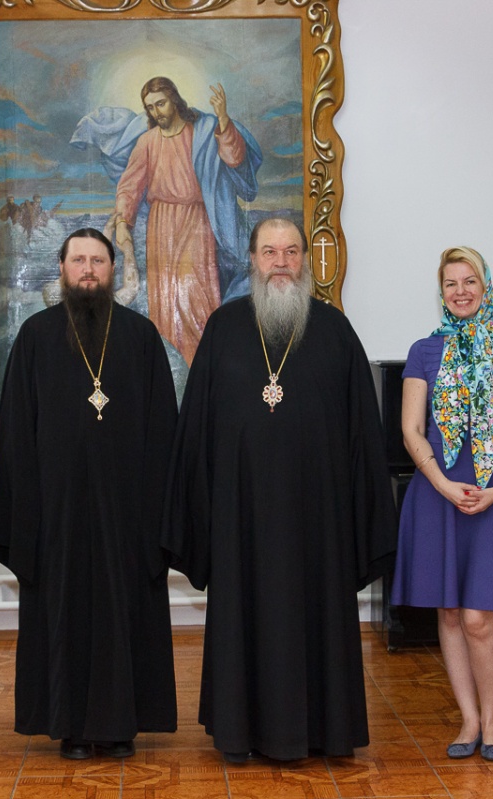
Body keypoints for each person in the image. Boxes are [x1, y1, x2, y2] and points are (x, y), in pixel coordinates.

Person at [163, 217, 397, 762]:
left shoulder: (335, 331)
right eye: (269, 252)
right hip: (240, 519)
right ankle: (240, 733)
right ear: (252, 260)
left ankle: (323, 730)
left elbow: (362, 434)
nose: (281, 262)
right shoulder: (223, 328)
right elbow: (196, 432)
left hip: (319, 521)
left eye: (291, 251)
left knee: (317, 615)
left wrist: (362, 516)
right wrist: (200, 513)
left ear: (305, 260)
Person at [0, 228, 178, 760]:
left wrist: (158, 511)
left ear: (113, 270)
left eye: (98, 260)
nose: (88, 269)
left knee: (124, 611)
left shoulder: (140, 336)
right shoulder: (36, 336)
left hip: (126, 513)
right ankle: (69, 724)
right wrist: (26, 512)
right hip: (58, 513)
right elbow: (17, 432)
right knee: (63, 613)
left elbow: (164, 429)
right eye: (79, 260)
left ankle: (121, 725)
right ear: (62, 268)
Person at [390, 247, 493, 763]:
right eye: (451, 283)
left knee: (481, 617)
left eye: (470, 281)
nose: (460, 292)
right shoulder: (424, 350)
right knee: (451, 612)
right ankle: (469, 720)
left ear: (486, 286)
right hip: (439, 494)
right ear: (441, 292)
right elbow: (412, 430)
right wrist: (441, 483)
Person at [72, 76, 263, 364]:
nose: (156, 112)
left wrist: (224, 120)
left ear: (174, 99)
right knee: (165, 302)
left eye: (160, 104)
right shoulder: (148, 141)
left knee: (198, 299)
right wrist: (123, 222)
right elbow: (129, 186)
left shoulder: (203, 132)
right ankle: (171, 367)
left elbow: (235, 159)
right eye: (150, 107)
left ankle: (204, 364)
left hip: (197, 223)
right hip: (160, 227)